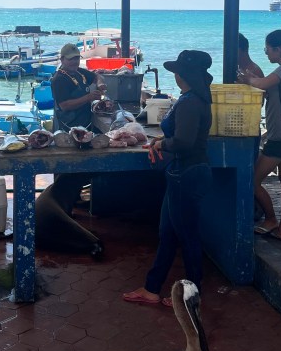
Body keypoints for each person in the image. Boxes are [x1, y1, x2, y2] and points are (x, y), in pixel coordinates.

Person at [122, 50, 213, 306]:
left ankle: (192, 296)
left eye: (177, 71)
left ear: (184, 75)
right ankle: (152, 288)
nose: (175, 74)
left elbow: (184, 141)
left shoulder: (191, 102)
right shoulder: (193, 98)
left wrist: (163, 145)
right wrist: (164, 140)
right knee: (168, 233)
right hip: (182, 173)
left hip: (188, 174)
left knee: (188, 237)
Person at [244, 26, 281, 244]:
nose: (266, 53)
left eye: (268, 49)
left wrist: (248, 79)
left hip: (280, 137)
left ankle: (270, 220)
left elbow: (262, 84)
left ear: (279, 49)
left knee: (252, 180)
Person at [51, 43, 104, 132]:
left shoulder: (79, 71)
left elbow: (97, 76)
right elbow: (64, 106)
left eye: (77, 58)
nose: (75, 61)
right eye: (70, 59)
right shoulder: (58, 79)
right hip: (69, 128)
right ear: (62, 59)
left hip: (86, 124)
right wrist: (88, 97)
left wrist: (100, 84)